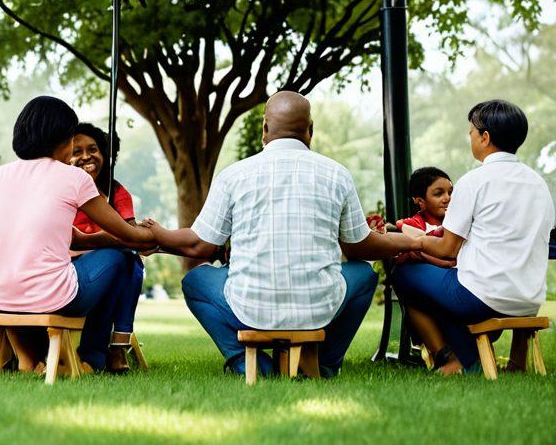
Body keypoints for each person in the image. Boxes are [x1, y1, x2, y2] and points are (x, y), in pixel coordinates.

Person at [145, 91, 426, 377]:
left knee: (196, 281)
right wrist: (411, 239)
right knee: (364, 275)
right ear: (310, 130)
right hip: (319, 306)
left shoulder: (234, 175)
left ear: (265, 128)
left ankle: (247, 363)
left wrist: (159, 234)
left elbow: (199, 245)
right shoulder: (337, 174)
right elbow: (359, 248)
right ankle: (322, 365)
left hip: (249, 306)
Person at [0, 96, 155, 372]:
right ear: (62, 139)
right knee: (117, 260)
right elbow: (125, 232)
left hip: (0, 298)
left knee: (93, 262)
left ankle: (32, 360)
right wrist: (152, 236)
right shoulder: (74, 177)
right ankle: (93, 357)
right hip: (55, 297)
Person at [393, 99, 555, 375]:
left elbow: (446, 249)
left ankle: (460, 361)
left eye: (471, 132)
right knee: (441, 287)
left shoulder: (474, 181)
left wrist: (417, 239)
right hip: (529, 298)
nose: (470, 137)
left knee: (404, 275)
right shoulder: (539, 184)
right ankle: (505, 363)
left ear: (485, 137)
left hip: (481, 297)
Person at [70, 123, 144, 372]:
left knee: (128, 260)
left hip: (113, 263)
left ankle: (116, 346)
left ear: (104, 154)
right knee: (123, 259)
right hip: (73, 265)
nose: (86, 157)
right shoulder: (62, 190)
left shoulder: (116, 191)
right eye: (76, 151)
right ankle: (110, 350)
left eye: (93, 149)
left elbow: (132, 233)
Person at [393, 166, 455, 366]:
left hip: (457, 284)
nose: (447, 198)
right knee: (413, 295)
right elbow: (403, 253)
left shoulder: (458, 222)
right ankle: (443, 355)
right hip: (430, 289)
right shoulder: (414, 225)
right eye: (438, 193)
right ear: (419, 201)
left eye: (450, 192)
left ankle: (452, 355)